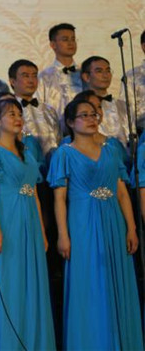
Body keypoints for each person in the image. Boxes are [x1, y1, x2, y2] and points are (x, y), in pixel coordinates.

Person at [47, 97, 142, 350]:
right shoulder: (64, 153)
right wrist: (63, 235)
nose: (91, 119)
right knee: (89, 281)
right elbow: (59, 199)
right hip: (83, 223)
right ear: (70, 122)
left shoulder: (111, 150)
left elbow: (122, 192)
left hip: (113, 221)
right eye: (84, 115)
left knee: (117, 279)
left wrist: (131, 228)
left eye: (94, 115)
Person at [0, 98, 55, 351]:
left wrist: (42, 230)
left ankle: (34, 342)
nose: (17, 118)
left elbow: (34, 192)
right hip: (7, 219)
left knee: (33, 283)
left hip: (30, 221)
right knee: (11, 282)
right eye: (11, 114)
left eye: (19, 114)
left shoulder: (26, 152)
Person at [8, 59, 61, 169]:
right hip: (23, 169)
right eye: (25, 76)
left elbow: (58, 140)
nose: (31, 80)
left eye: (34, 76)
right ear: (13, 81)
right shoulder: (7, 111)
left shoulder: (49, 110)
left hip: (53, 169)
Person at [80, 55, 130, 145]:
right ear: (86, 77)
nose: (105, 75)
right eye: (99, 71)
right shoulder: (80, 107)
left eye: (108, 71)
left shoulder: (122, 105)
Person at [38, 23, 83, 118]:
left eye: (73, 39)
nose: (70, 43)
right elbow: (39, 109)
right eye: (65, 39)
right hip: (53, 126)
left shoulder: (85, 75)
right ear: (53, 45)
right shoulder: (44, 77)